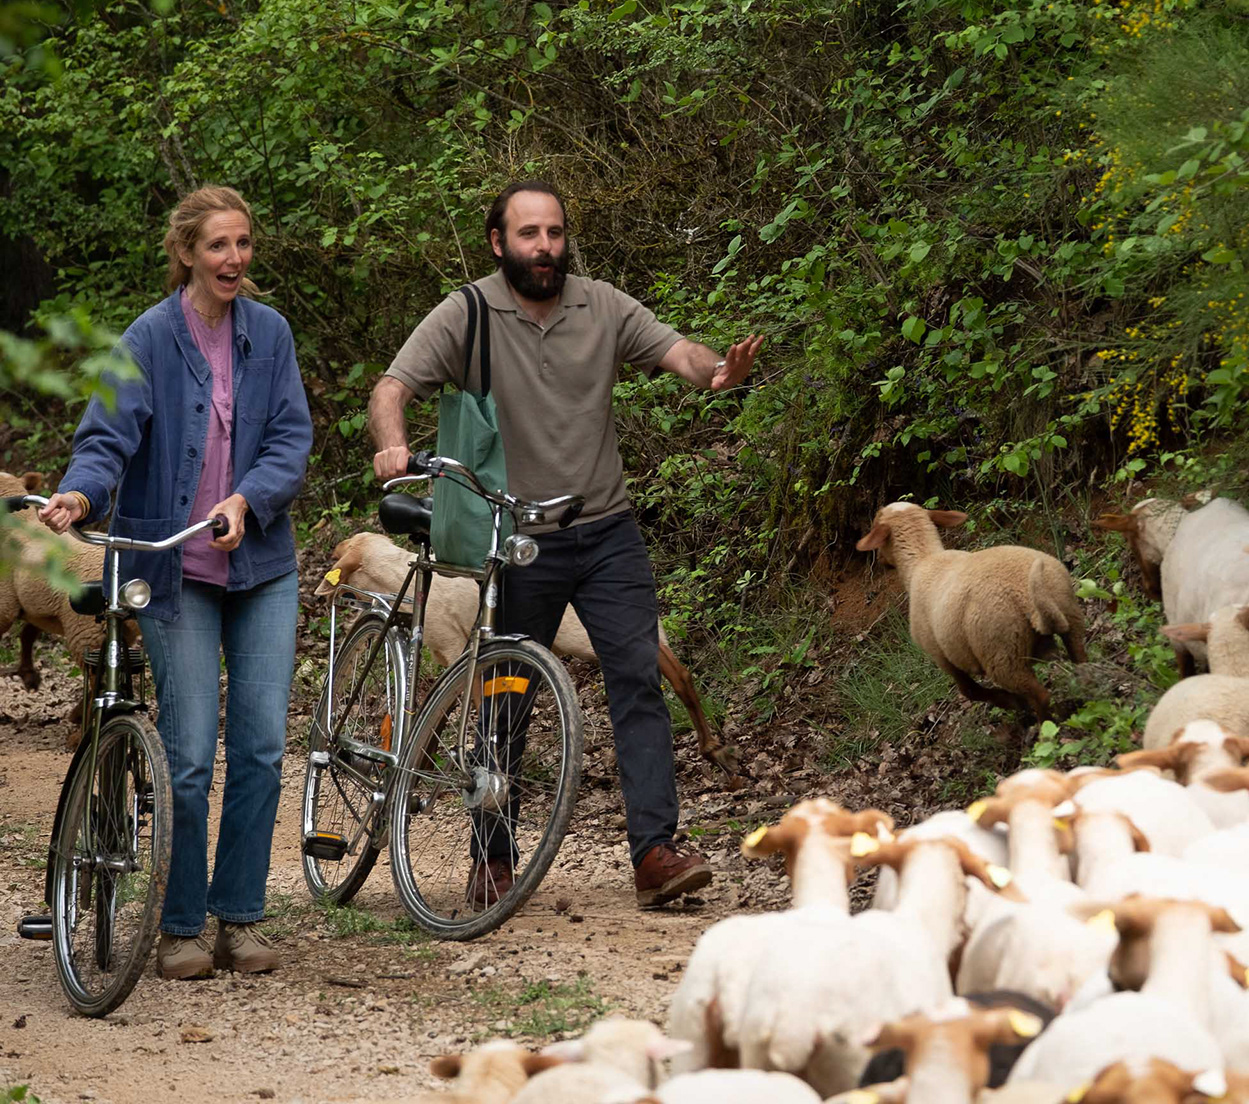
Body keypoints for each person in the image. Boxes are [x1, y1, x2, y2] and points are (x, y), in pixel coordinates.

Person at [369, 180, 763, 909]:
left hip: (607, 528)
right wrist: (393, 446)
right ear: (499, 242)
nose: (544, 247)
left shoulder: (601, 304)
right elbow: (391, 387)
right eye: (528, 234)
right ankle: (492, 857)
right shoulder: (471, 312)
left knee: (639, 678)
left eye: (553, 232)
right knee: (506, 695)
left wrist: (714, 373)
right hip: (515, 536)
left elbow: (678, 351)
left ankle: (655, 854)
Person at [39, 185, 313, 979]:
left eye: (244, 243)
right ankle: (182, 925)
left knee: (260, 748)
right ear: (187, 252)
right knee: (190, 754)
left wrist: (247, 498)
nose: (235, 258)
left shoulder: (271, 334)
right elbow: (106, 438)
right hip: (173, 570)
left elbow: (291, 440)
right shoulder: (149, 339)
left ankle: (241, 917)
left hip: (260, 567)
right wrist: (82, 492)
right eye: (219, 245)